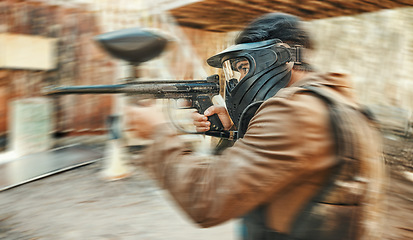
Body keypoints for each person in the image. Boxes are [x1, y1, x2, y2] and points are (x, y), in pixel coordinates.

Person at [126, 13, 385, 240]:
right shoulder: (335, 99)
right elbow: (274, 168)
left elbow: (205, 199)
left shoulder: (293, 110)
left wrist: (157, 132)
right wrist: (231, 130)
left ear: (277, 58)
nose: (238, 80)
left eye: (242, 67)